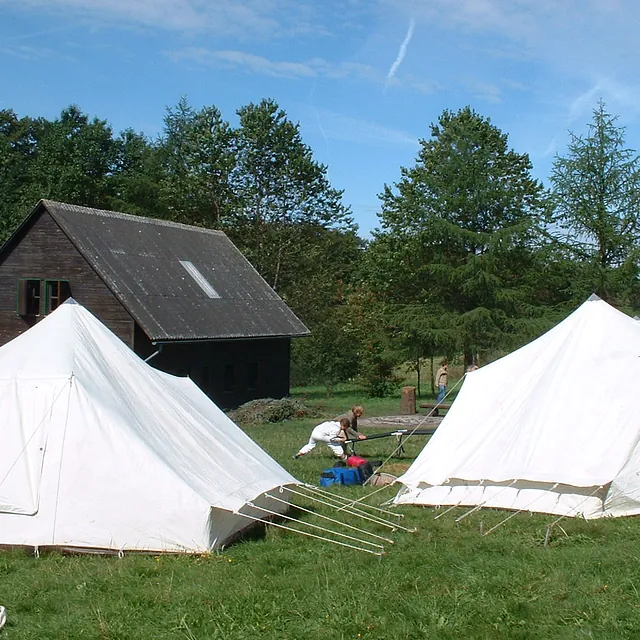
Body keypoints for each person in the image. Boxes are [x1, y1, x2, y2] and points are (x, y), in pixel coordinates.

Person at [293, 418, 366, 460]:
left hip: (315, 432)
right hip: (322, 435)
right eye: (346, 427)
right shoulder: (337, 429)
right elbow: (332, 438)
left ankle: (298, 454)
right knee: (335, 445)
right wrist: (341, 440)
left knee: (310, 445)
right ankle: (345, 458)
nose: (346, 429)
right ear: (343, 426)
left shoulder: (334, 423)